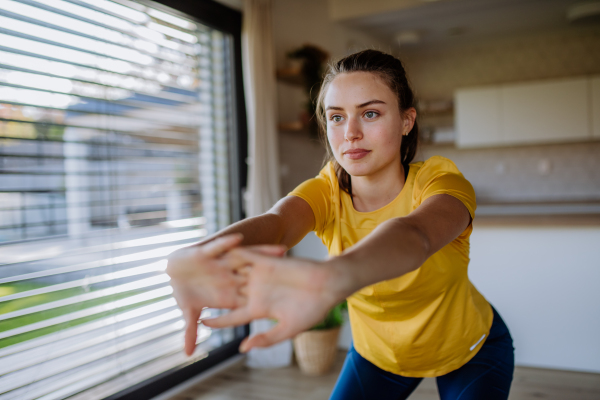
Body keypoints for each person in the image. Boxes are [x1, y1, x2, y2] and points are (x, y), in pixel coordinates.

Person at [166, 49, 514, 399]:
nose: (350, 133)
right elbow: (277, 224)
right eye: (336, 117)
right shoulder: (326, 190)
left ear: (407, 121)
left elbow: (417, 235)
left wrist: (333, 278)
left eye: (371, 113)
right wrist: (201, 254)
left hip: (470, 349)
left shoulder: (441, 181)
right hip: (378, 355)